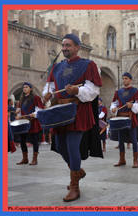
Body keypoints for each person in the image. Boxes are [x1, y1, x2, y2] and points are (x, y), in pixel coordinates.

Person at [43, 33, 103, 202]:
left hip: (78, 110)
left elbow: (94, 90)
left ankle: (74, 186)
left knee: (71, 146)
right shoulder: (57, 67)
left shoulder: (88, 65)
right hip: (60, 111)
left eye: (68, 45)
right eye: (63, 46)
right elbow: (51, 86)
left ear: (77, 47)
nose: (64, 49)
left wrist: (77, 91)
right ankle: (78, 172)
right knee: (61, 147)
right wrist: (47, 95)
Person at [110, 72, 138, 168]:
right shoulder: (118, 92)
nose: (124, 80)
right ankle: (122, 159)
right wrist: (113, 108)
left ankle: (135, 161)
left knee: (133, 139)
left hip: (130, 117)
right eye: (123, 78)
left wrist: (132, 105)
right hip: (120, 117)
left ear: (130, 80)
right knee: (120, 139)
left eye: (126, 78)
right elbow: (114, 103)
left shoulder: (136, 92)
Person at [15, 82, 44, 166]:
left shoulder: (36, 98)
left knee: (34, 140)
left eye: (26, 87)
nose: (24, 89)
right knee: (22, 140)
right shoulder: (22, 99)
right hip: (23, 121)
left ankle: (35, 159)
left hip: (32, 121)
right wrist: (18, 113)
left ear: (30, 89)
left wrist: (34, 114)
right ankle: (25, 158)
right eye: (23, 87)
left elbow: (39, 109)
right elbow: (20, 110)